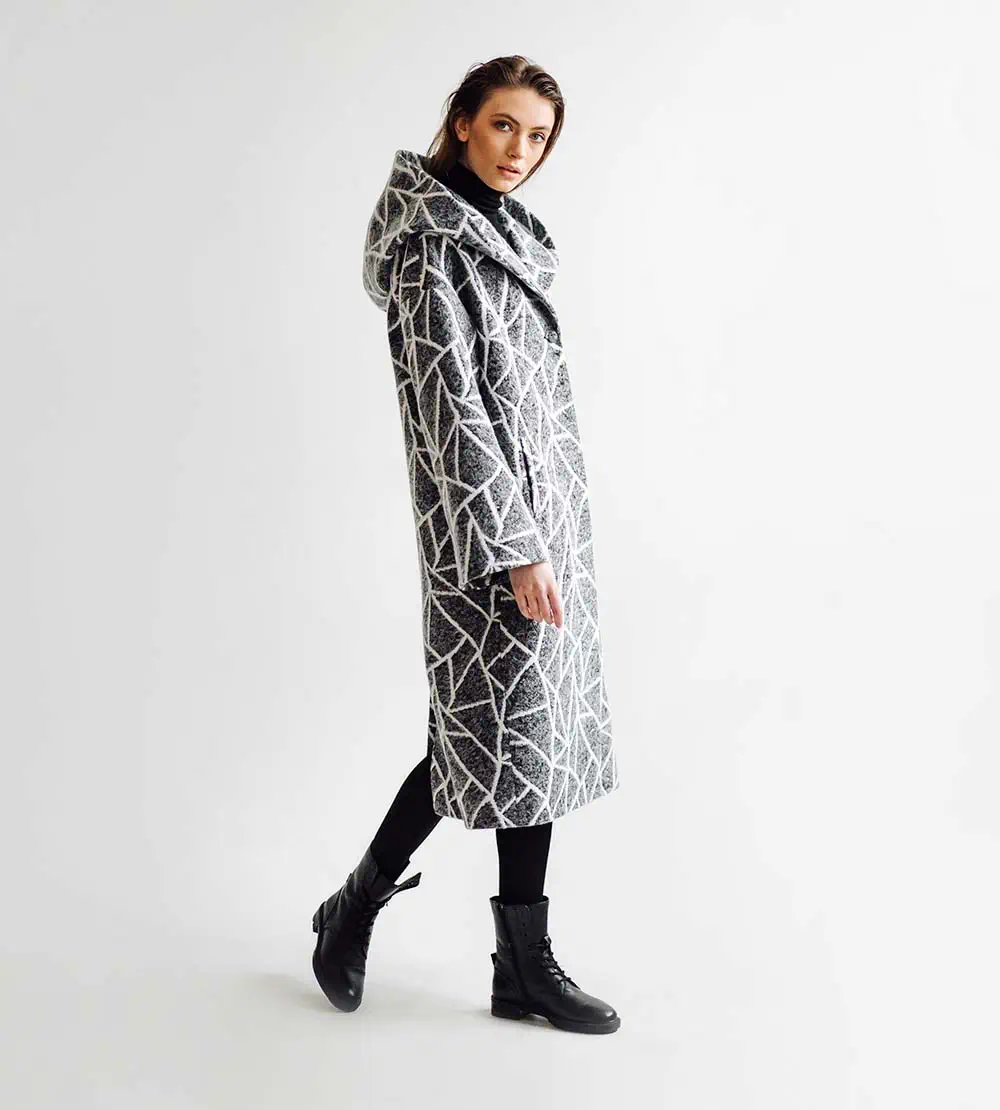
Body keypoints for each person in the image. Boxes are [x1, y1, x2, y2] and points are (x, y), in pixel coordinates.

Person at [312, 55, 621, 1035]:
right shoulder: (428, 246)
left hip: (541, 527)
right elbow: (451, 412)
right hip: (486, 536)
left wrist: (546, 535)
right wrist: (516, 546)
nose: (518, 150)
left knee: (517, 740)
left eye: (537, 136)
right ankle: (360, 909)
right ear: (460, 122)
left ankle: (514, 968)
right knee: (488, 737)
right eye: (502, 126)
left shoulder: (503, 230)